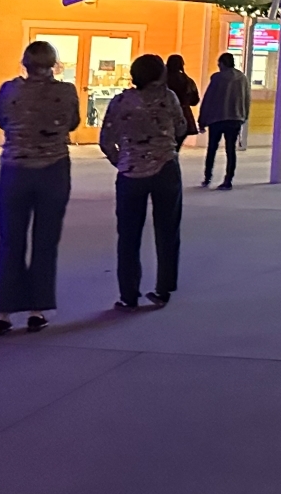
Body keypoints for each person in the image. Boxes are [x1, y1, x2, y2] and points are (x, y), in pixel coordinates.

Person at [0, 41, 79, 335]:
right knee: (46, 241)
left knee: (10, 241)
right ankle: (37, 310)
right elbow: (72, 123)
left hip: (14, 169)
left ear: (25, 63)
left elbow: (2, 121)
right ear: (53, 64)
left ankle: (2, 313)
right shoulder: (66, 92)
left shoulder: (8, 91)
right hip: (53, 169)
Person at [99, 53, 188, 310]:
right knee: (167, 230)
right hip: (166, 168)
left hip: (130, 173)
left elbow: (106, 139)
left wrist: (121, 160)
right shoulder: (168, 98)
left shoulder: (120, 102)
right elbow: (181, 127)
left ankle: (128, 294)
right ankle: (163, 289)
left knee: (128, 234)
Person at [196, 51, 250, 188]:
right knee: (230, 150)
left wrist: (202, 119)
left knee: (212, 148)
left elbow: (209, 99)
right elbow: (247, 98)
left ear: (223, 63)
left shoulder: (217, 78)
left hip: (217, 118)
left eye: (219, 63)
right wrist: (244, 115)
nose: (218, 66)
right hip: (235, 118)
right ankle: (228, 180)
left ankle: (208, 177)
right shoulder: (242, 78)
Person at [165, 54, 201, 144]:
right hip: (184, 113)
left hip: (164, 113)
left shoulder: (162, 80)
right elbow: (195, 100)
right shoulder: (187, 80)